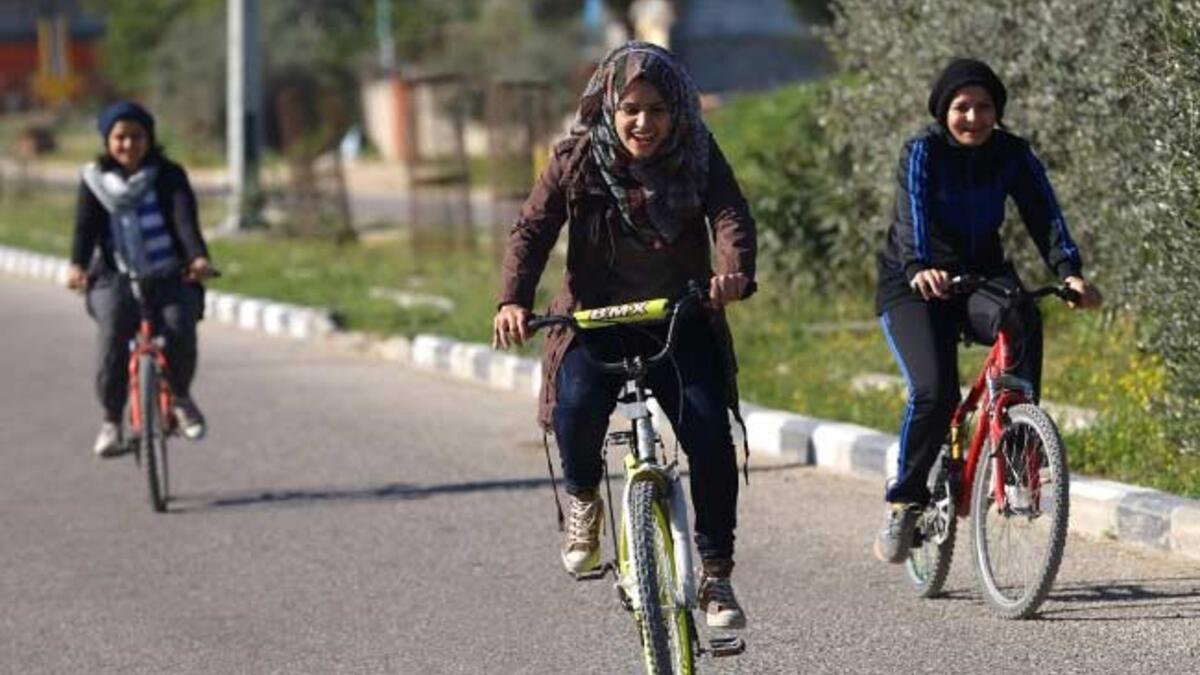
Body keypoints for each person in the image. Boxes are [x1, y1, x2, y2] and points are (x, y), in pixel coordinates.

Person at [492, 42, 756, 629]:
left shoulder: (699, 153)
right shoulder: (575, 159)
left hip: (678, 317)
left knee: (710, 433)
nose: (644, 122)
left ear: (679, 110)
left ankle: (716, 576)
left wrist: (733, 271)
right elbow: (533, 229)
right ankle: (585, 498)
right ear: (608, 106)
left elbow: (729, 213)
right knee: (577, 407)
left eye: (658, 109)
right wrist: (513, 299)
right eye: (631, 108)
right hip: (595, 320)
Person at [872, 58, 1103, 563]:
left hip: (979, 275)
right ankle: (905, 500)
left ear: (997, 111)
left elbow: (1044, 213)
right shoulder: (922, 152)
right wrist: (918, 265)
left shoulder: (1011, 153)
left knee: (1024, 316)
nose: (973, 117)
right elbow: (911, 214)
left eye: (984, 107)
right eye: (962, 107)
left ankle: (1019, 461)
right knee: (934, 392)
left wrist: (1070, 270)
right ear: (943, 112)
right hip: (914, 283)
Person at [66, 101, 217, 457]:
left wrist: (196, 258)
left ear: (150, 139)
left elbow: (184, 221)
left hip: (168, 271)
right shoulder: (93, 180)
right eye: (120, 137)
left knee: (179, 326)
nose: (129, 145)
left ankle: (180, 398)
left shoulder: (169, 175)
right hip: (112, 276)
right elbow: (84, 229)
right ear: (107, 141)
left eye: (137, 136)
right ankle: (110, 421)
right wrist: (77, 265)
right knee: (114, 329)